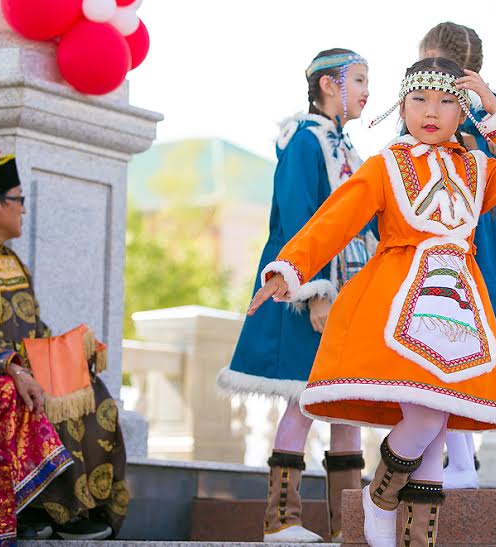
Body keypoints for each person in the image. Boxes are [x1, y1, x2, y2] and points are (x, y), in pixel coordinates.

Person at [248, 56, 496, 547]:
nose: (432, 111)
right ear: (402, 106)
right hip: (398, 299)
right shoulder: (386, 165)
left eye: (448, 102)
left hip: (458, 306)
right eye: (420, 100)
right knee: (426, 415)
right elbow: (336, 218)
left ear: (463, 112)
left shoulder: (477, 169)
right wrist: (292, 268)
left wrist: (493, 106)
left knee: (437, 418)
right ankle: (381, 497)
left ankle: (411, 533)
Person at [216, 48, 371, 543]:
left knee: (348, 406)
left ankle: (349, 524)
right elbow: (302, 219)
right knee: (305, 400)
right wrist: (315, 292)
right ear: (330, 85)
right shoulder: (306, 142)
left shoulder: (343, 146)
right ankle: (281, 520)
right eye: (361, 80)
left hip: (349, 292)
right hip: (310, 293)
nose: (369, 92)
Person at [0, 152, 128, 541]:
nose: (24, 209)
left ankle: (78, 509)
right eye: (17, 199)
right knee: (32, 392)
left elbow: (35, 324)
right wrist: (12, 367)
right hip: (2, 371)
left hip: (25, 363)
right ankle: (33, 508)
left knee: (92, 390)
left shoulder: (13, 262)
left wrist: (71, 348)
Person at [418, 21, 496, 491]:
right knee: (441, 348)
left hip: (462, 240)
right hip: (443, 235)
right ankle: (457, 459)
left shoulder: (478, 113)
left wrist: (490, 103)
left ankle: (460, 461)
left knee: (456, 341)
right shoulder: (433, 111)